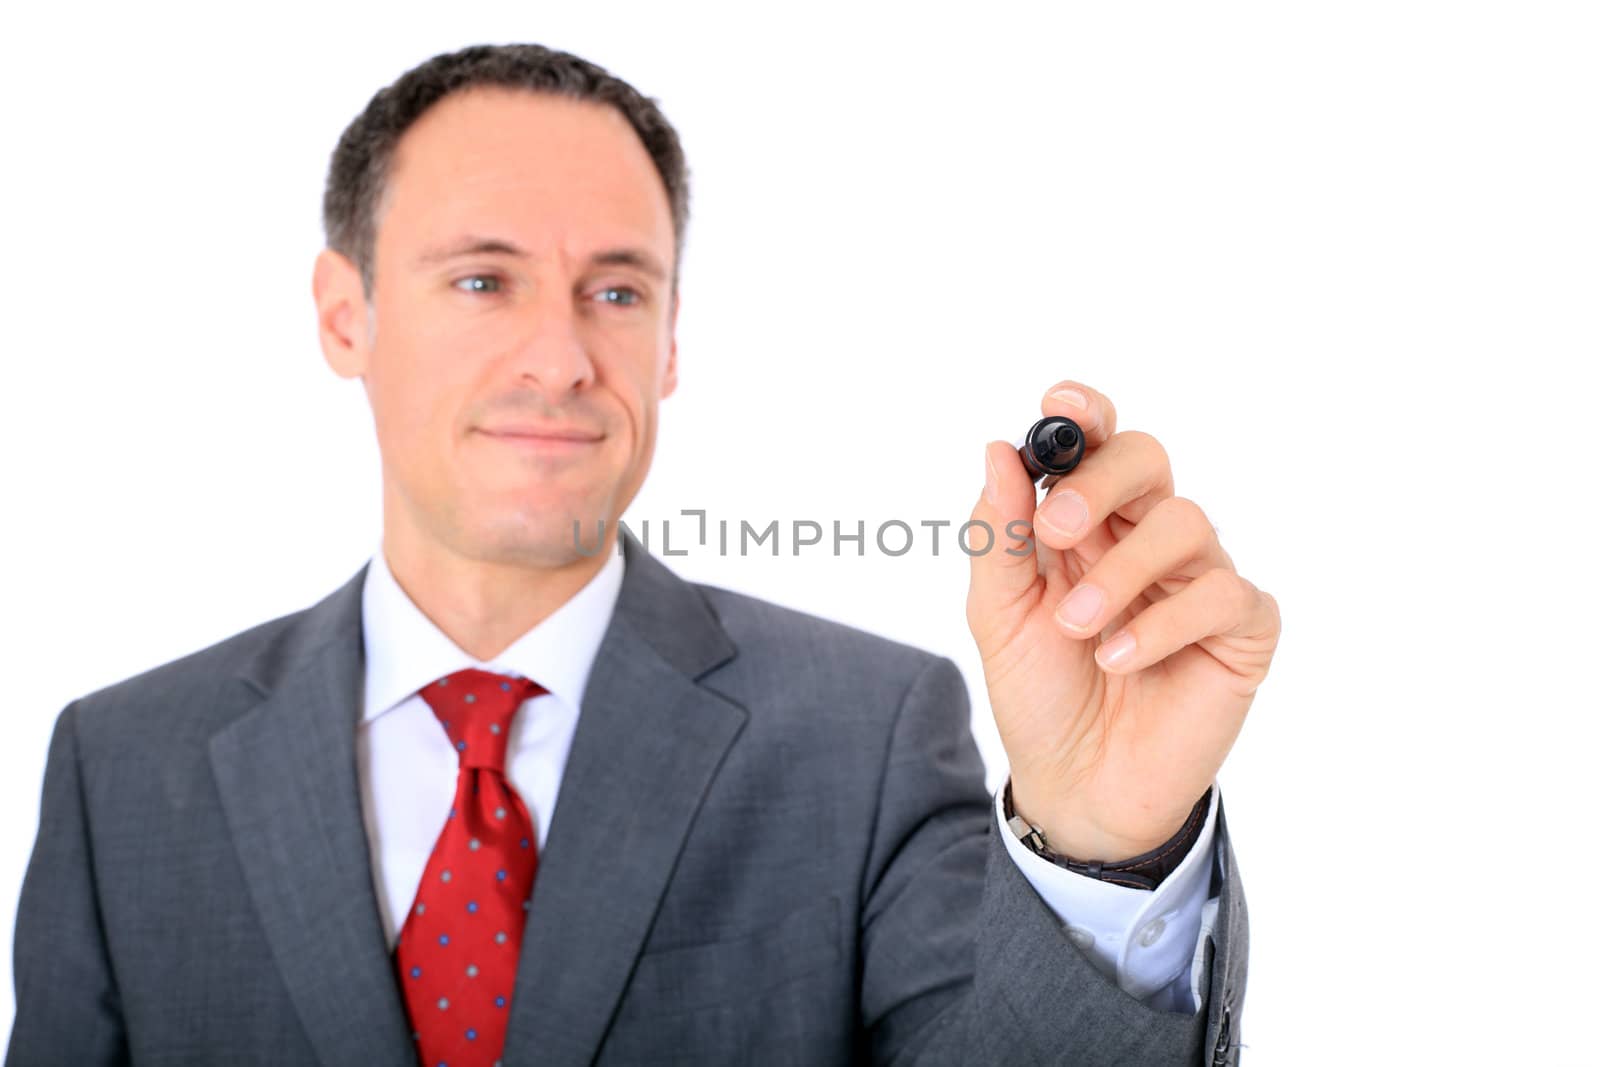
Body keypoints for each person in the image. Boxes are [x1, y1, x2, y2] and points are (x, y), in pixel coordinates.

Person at [6, 43, 1280, 1067]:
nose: (561, 356)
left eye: (617, 291)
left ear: (670, 344)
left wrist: (1102, 846)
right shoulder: (123, 770)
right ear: (347, 315)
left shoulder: (866, 733)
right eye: (481, 281)